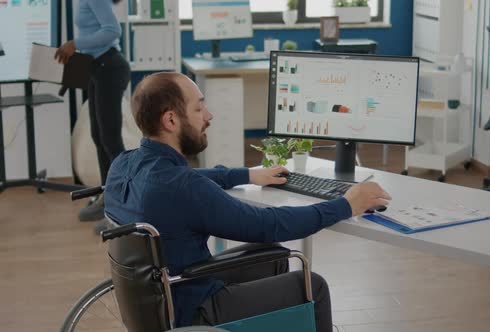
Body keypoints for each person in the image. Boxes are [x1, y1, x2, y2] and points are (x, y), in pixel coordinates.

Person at [103, 72, 392, 330]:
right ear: (171, 120)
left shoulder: (123, 164)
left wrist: (248, 174)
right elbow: (270, 224)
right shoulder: (184, 187)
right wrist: (345, 205)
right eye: (198, 107)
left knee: (274, 257)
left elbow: (185, 178)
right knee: (312, 285)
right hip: (194, 309)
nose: (209, 115)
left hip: (157, 302)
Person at [55, 0, 130, 221]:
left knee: (111, 140)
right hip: (96, 68)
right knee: (99, 136)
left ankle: (124, 203)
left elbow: (113, 30)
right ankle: (108, 196)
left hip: (110, 67)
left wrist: (75, 43)